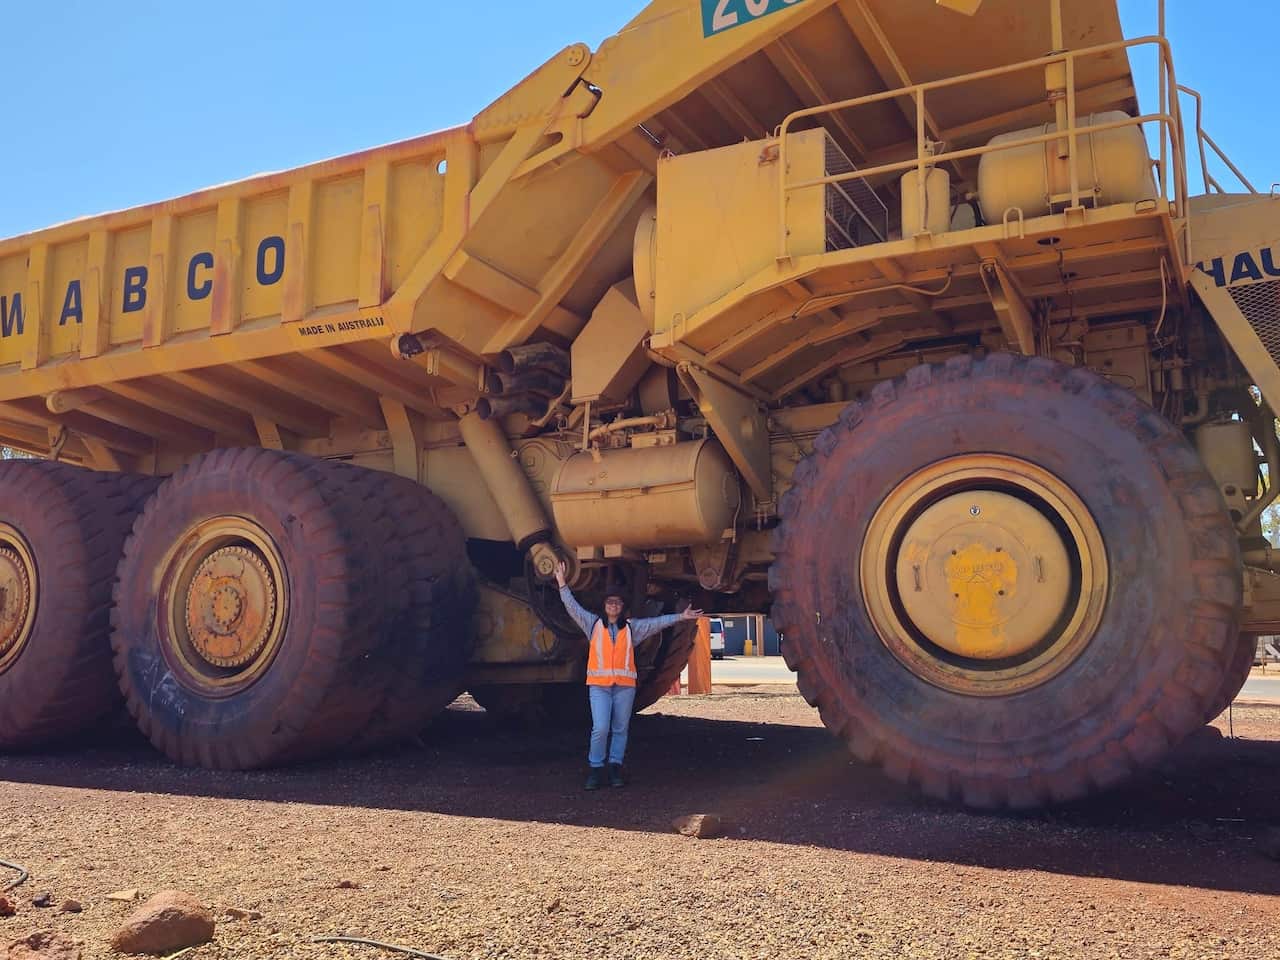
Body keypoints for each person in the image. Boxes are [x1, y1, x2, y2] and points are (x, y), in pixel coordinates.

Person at [555, 561, 702, 790]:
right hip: (599, 686)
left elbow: (656, 624)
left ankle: (615, 767)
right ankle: (595, 769)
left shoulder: (631, 628)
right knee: (600, 728)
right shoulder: (592, 625)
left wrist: (681, 618)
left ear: (622, 607)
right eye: (610, 602)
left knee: (620, 729)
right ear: (605, 606)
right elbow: (572, 608)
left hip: (624, 687)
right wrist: (562, 583)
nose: (613, 606)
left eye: (617, 603)